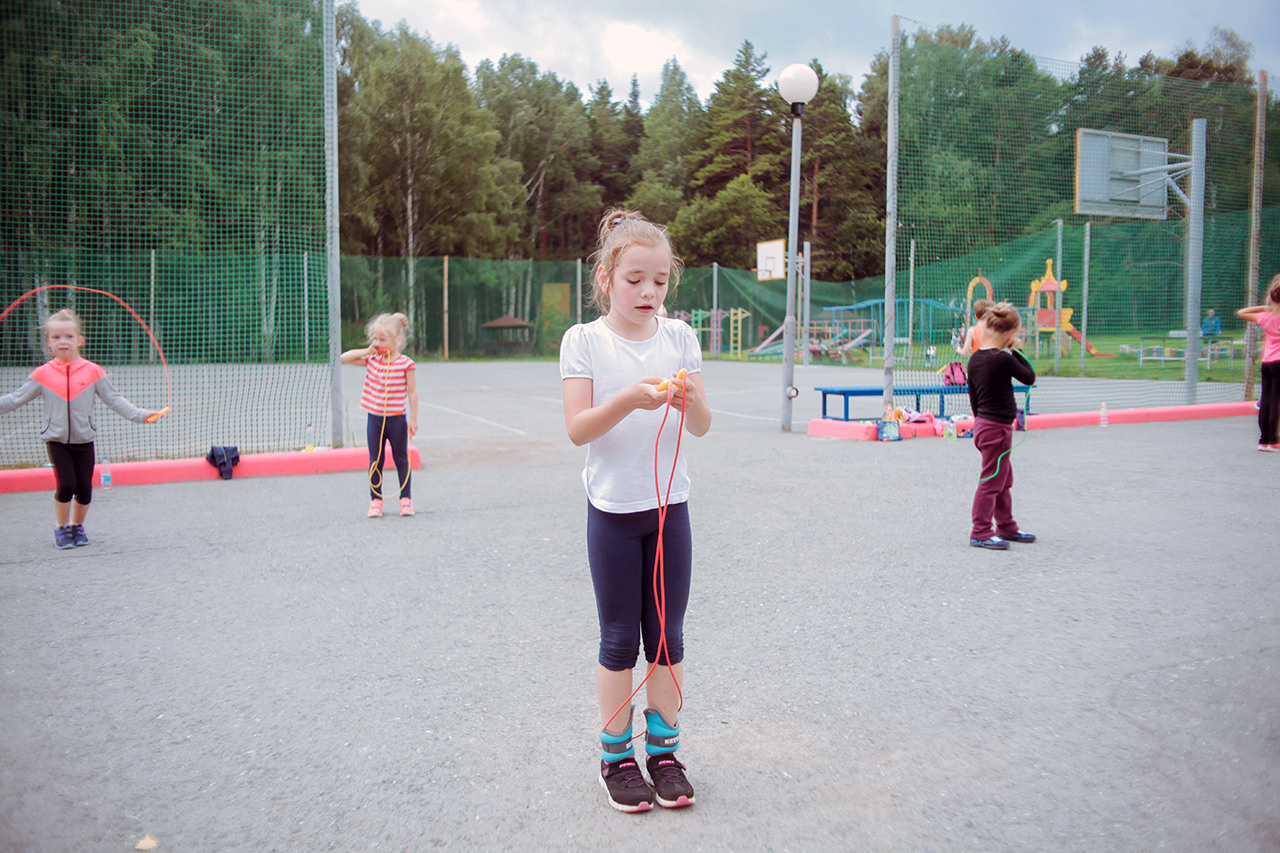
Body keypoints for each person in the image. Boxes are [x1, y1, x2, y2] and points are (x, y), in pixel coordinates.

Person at [560, 209, 711, 812]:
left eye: (660, 281)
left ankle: (665, 751)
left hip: (671, 510)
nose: (649, 291)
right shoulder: (585, 341)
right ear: (605, 278)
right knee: (621, 640)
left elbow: (700, 427)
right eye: (635, 280)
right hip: (614, 514)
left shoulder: (680, 338)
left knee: (668, 639)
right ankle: (616, 758)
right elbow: (578, 429)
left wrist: (692, 400)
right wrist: (627, 399)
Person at [0, 309, 161, 549]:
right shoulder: (42, 374)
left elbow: (114, 400)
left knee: (84, 489)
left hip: (85, 439)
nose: (62, 342)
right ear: (48, 342)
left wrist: (141, 416)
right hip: (56, 440)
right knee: (66, 485)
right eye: (56, 337)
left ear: (80, 340)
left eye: (68, 336)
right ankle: (62, 528)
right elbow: (15, 399)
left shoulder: (93, 371)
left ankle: (77, 526)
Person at [966, 301, 1037, 550]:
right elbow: (1029, 376)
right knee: (991, 480)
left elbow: (973, 396)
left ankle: (1006, 527)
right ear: (1010, 334)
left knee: (1003, 479)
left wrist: (980, 421)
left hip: (986, 425)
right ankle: (980, 531)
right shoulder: (1003, 359)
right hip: (997, 428)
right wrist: (1016, 350)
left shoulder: (975, 359)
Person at [340, 312, 418, 516]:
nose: (378, 343)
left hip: (397, 420)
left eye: (383, 339)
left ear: (397, 340)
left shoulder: (405, 364)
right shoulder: (372, 360)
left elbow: (412, 392)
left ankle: (406, 500)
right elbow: (344, 358)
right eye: (375, 338)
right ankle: (376, 501)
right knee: (376, 460)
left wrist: (414, 419)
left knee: (401, 459)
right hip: (374, 419)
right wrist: (367, 350)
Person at [1236, 275, 1280, 451]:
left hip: (1267, 363)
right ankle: (1273, 441)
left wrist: (1264, 307)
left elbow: (1241, 312)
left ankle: (1263, 441)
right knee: (1274, 401)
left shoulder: (1265, 317)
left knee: (1266, 400)